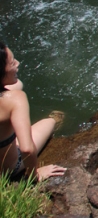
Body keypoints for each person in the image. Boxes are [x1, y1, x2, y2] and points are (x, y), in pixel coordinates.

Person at [0, 41, 66, 181]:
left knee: (17, 84)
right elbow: (27, 149)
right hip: (8, 169)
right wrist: (34, 175)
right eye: (12, 63)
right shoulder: (15, 99)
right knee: (49, 122)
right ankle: (55, 121)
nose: (18, 63)